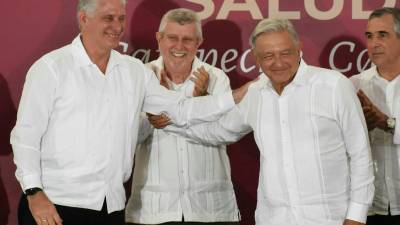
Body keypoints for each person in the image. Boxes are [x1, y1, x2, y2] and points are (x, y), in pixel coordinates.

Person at [10, 1, 247, 225]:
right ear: (83, 19)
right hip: (55, 203)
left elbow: (179, 108)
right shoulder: (52, 68)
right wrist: (33, 192)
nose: (117, 27)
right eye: (108, 18)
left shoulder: (134, 71)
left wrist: (235, 96)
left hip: (111, 207)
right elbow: (26, 136)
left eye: (121, 18)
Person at [163, 18, 375, 225]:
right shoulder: (256, 93)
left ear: (299, 48)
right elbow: (219, 131)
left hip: (330, 218)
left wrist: (356, 216)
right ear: (255, 57)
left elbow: (360, 154)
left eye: (285, 53)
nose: (278, 63)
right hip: (273, 218)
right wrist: (169, 123)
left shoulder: (334, 86)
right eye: (268, 56)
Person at [124, 8, 240, 225]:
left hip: (211, 210)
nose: (179, 46)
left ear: (199, 42)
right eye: (172, 38)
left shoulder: (216, 78)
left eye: (187, 40)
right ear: (159, 38)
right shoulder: (139, 78)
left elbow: (222, 135)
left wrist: (201, 99)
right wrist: (152, 117)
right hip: (152, 211)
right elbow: (128, 139)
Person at [350, 7, 400, 225]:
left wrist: (388, 123)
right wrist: (361, 130)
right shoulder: (353, 86)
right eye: (369, 36)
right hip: (371, 205)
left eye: (383, 35)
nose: (373, 43)